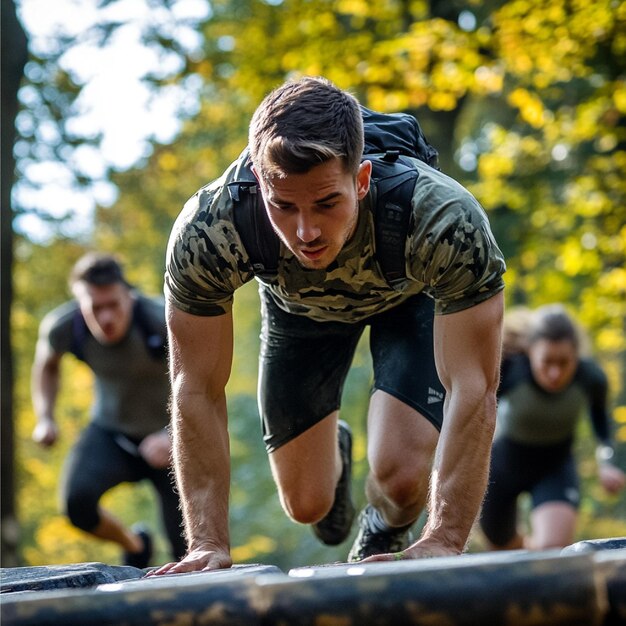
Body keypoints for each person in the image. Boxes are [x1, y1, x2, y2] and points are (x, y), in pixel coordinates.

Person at [152, 76, 506, 575]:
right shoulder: (211, 229)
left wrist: (445, 539)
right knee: (306, 505)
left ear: (360, 181)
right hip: (300, 314)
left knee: (402, 480)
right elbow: (195, 388)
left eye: (326, 203)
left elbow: (474, 386)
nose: (306, 231)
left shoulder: (441, 218)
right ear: (258, 179)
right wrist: (206, 543)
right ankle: (333, 456)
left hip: (407, 300)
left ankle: (382, 527)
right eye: (283, 206)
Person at [31, 252, 186, 567]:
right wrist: (45, 417)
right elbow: (47, 366)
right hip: (112, 433)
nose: (106, 318)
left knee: (186, 551)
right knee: (77, 505)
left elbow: (205, 379)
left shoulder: (161, 319)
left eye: (113, 305)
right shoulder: (64, 327)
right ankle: (135, 543)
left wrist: (174, 433)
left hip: (173, 440)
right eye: (95, 308)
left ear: (128, 295)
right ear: (80, 304)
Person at [480, 304, 626, 551]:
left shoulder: (591, 377)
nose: (555, 373)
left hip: (555, 466)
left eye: (564, 362)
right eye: (546, 362)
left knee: (553, 549)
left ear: (576, 355)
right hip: (504, 465)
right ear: (530, 353)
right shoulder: (510, 370)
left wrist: (606, 463)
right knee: (504, 550)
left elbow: (601, 427)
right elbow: (476, 413)